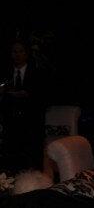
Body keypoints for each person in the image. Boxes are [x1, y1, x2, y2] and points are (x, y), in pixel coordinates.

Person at [0, 39, 49, 172]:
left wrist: (28, 95)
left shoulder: (37, 73)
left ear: (26, 54)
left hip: (31, 122)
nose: (17, 55)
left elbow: (44, 97)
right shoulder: (5, 73)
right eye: (14, 52)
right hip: (11, 122)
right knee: (12, 156)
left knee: (32, 157)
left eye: (20, 51)